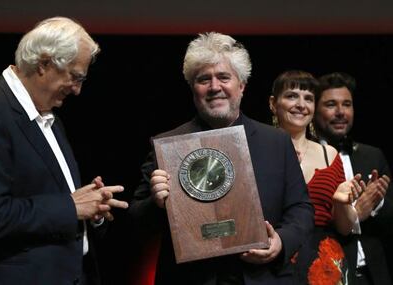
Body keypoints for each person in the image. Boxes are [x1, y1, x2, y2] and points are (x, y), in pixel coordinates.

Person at [128, 32, 314, 285]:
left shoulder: (277, 142)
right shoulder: (167, 146)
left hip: (264, 277)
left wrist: (281, 242)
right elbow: (136, 224)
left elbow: (300, 209)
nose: (215, 87)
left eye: (224, 77)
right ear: (193, 88)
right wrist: (155, 202)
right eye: (204, 79)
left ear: (242, 85)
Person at [0, 17, 129, 285]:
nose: (78, 90)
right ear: (44, 63)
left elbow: (51, 196)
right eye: (75, 77)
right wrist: (71, 206)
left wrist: (90, 206)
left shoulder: (48, 116)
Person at [269, 70, 366, 285]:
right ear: (273, 103)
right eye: (292, 96)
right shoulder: (258, 150)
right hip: (275, 257)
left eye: (309, 98)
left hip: (323, 264)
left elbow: (343, 227)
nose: (301, 104)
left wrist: (340, 204)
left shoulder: (329, 155)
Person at [314, 72, 392, 285]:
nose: (340, 112)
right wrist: (355, 215)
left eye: (346, 104)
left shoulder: (373, 155)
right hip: (327, 272)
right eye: (331, 104)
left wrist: (376, 203)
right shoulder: (306, 156)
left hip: (373, 274)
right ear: (313, 109)